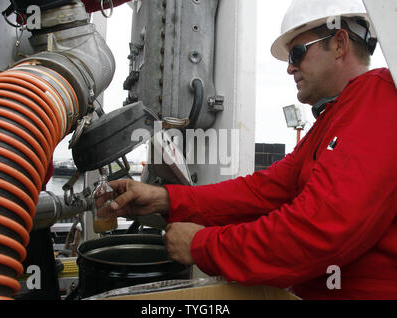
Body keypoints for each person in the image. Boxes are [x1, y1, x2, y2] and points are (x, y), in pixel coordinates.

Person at [96, 0, 397, 299]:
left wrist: (202, 245)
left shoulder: (378, 101)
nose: (291, 67)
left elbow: (320, 230)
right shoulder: (336, 117)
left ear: (339, 43)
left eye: (297, 53)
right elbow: (261, 191)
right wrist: (165, 199)